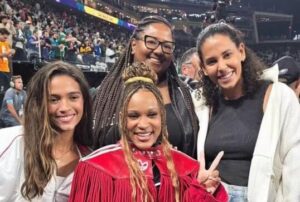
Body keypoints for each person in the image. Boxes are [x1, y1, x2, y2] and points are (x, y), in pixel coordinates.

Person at [69, 62, 228, 202]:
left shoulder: (185, 168)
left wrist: (201, 191)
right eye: (133, 115)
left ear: (162, 116)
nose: (143, 124)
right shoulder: (96, 168)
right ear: (122, 118)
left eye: (152, 114)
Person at [195, 22, 300, 201]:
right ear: (204, 69)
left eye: (227, 55)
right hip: (212, 196)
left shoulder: (279, 96)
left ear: (241, 52)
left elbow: (295, 163)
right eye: (212, 61)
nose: (221, 66)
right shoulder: (202, 105)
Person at [93, 16, 198, 158]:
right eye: (151, 42)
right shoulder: (104, 94)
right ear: (133, 45)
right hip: (113, 179)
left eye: (167, 46)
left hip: (173, 179)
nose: (159, 51)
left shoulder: (187, 94)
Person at [0, 61, 93, 201]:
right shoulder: (8, 143)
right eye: (54, 99)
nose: (64, 107)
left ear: (84, 101)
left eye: (73, 97)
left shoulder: (89, 159)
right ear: (39, 103)